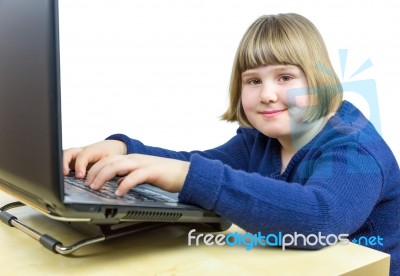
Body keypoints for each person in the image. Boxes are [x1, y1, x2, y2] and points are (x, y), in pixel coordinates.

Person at [63, 13, 400, 274]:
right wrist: (125, 150)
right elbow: (193, 163)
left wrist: (188, 175)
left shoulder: (354, 146)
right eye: (253, 81)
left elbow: (319, 217)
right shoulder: (261, 140)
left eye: (284, 77)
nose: (267, 95)